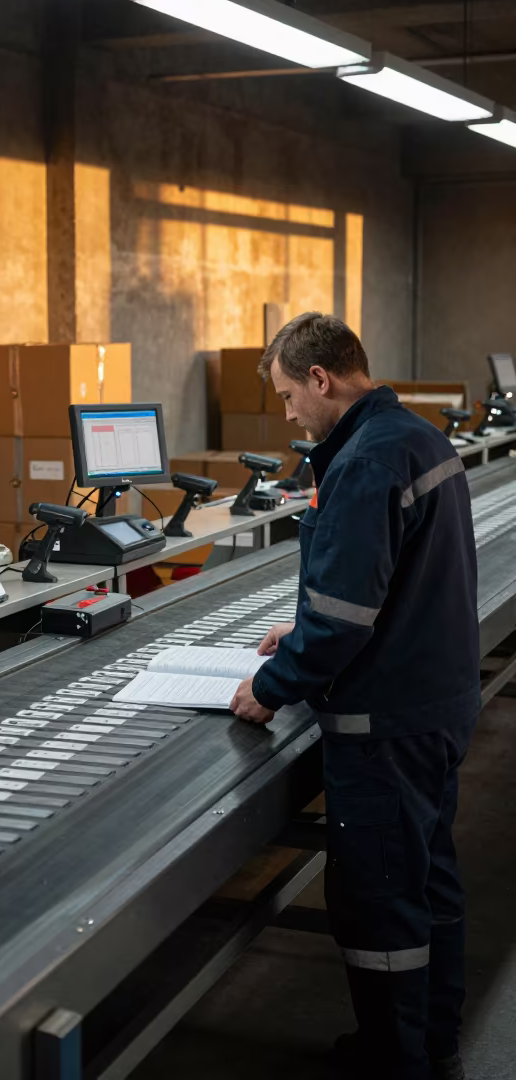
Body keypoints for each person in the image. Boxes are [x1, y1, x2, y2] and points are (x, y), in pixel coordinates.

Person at [230, 313, 480, 1080]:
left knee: (381, 901)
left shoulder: (366, 460)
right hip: (435, 703)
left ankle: (393, 1060)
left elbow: (343, 620)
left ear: (321, 378)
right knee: (427, 879)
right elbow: (393, 580)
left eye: (287, 396)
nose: (287, 414)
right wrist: (305, 623)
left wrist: (272, 685)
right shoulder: (417, 437)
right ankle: (433, 1041)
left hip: (387, 723)